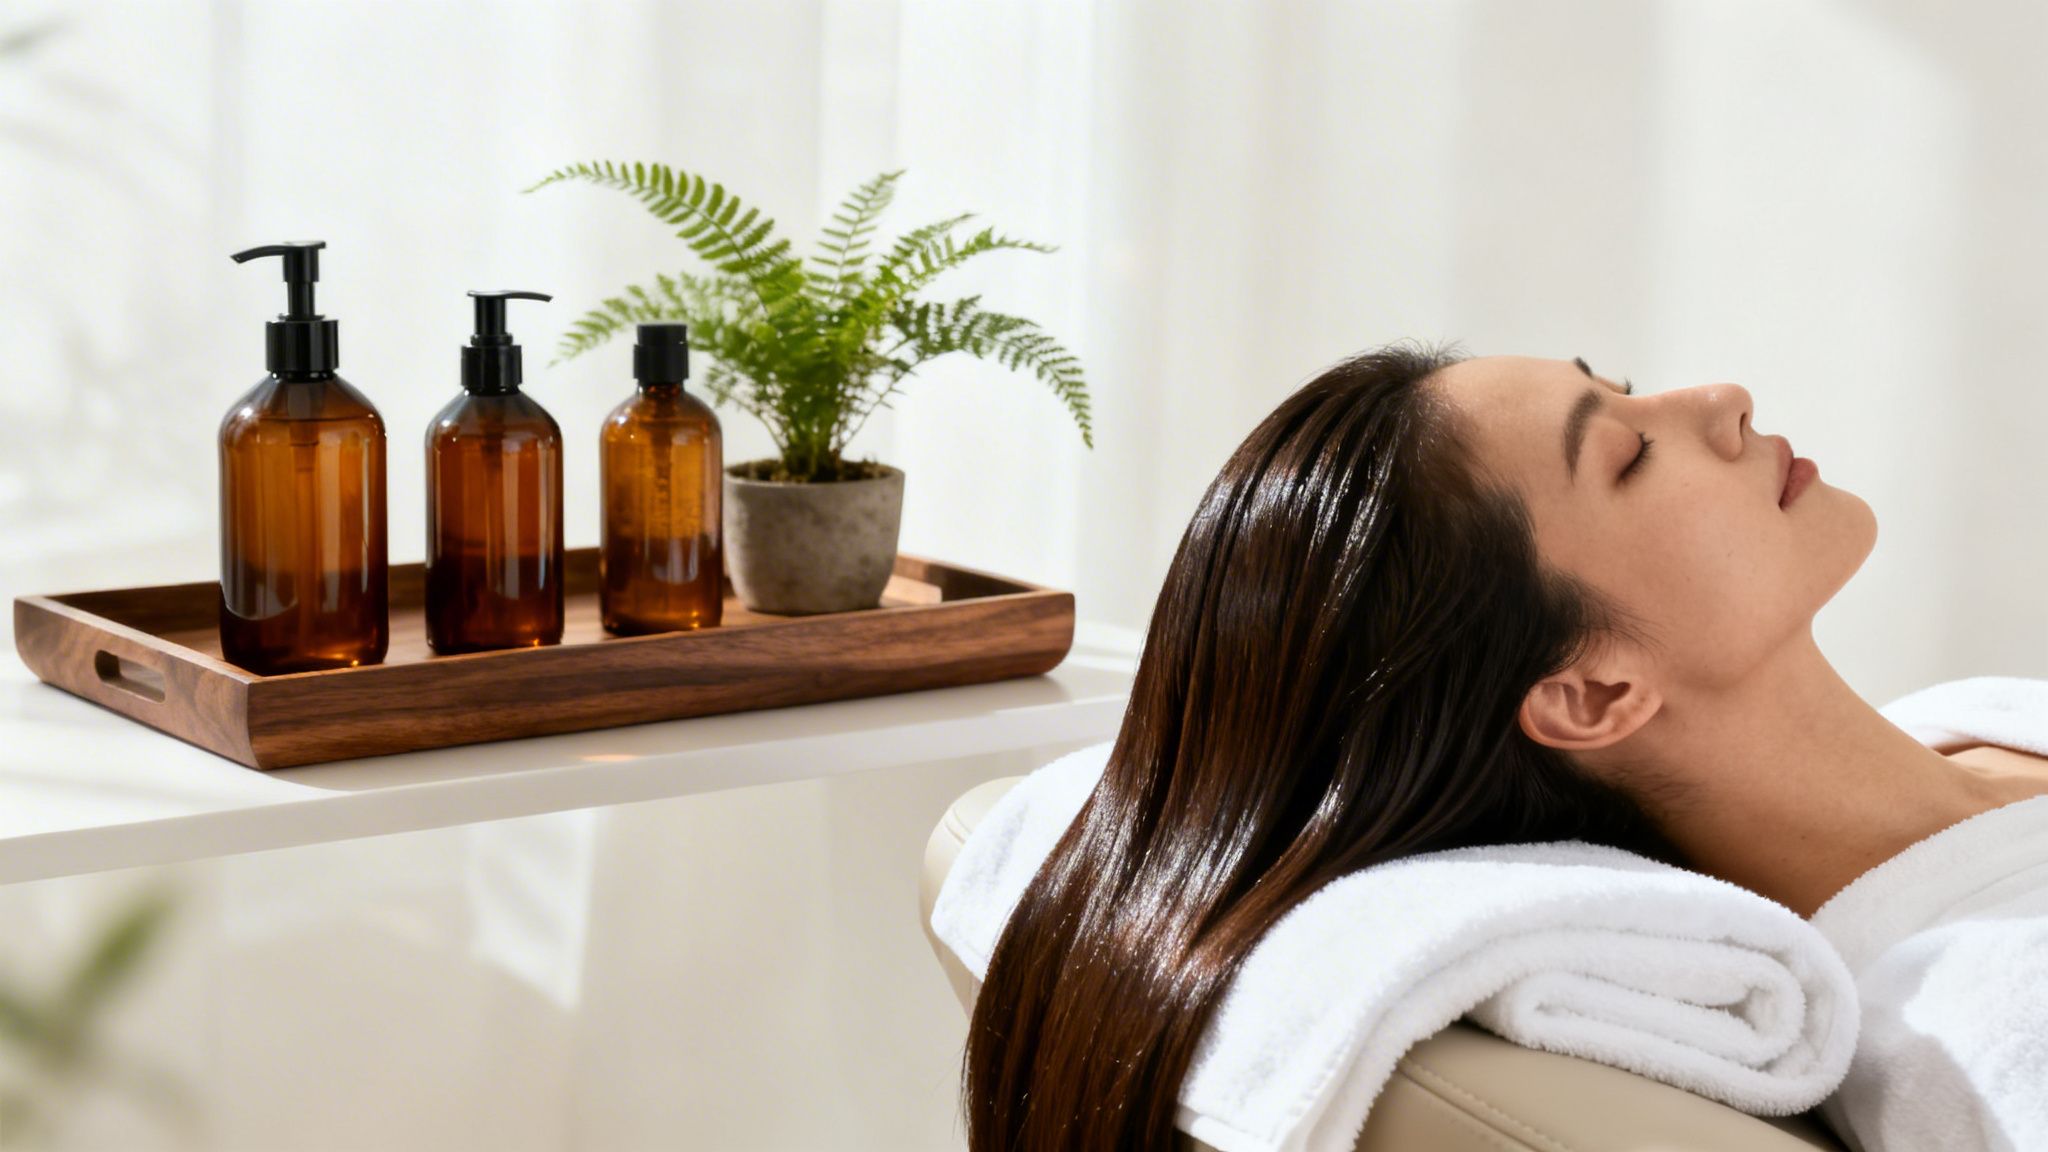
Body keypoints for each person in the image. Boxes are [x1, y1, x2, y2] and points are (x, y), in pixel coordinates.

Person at [961, 344, 2048, 1151]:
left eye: (1622, 386)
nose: (1720, 400)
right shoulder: (1988, 1007)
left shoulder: (1971, 720)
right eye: (1627, 456)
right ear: (1587, 693)